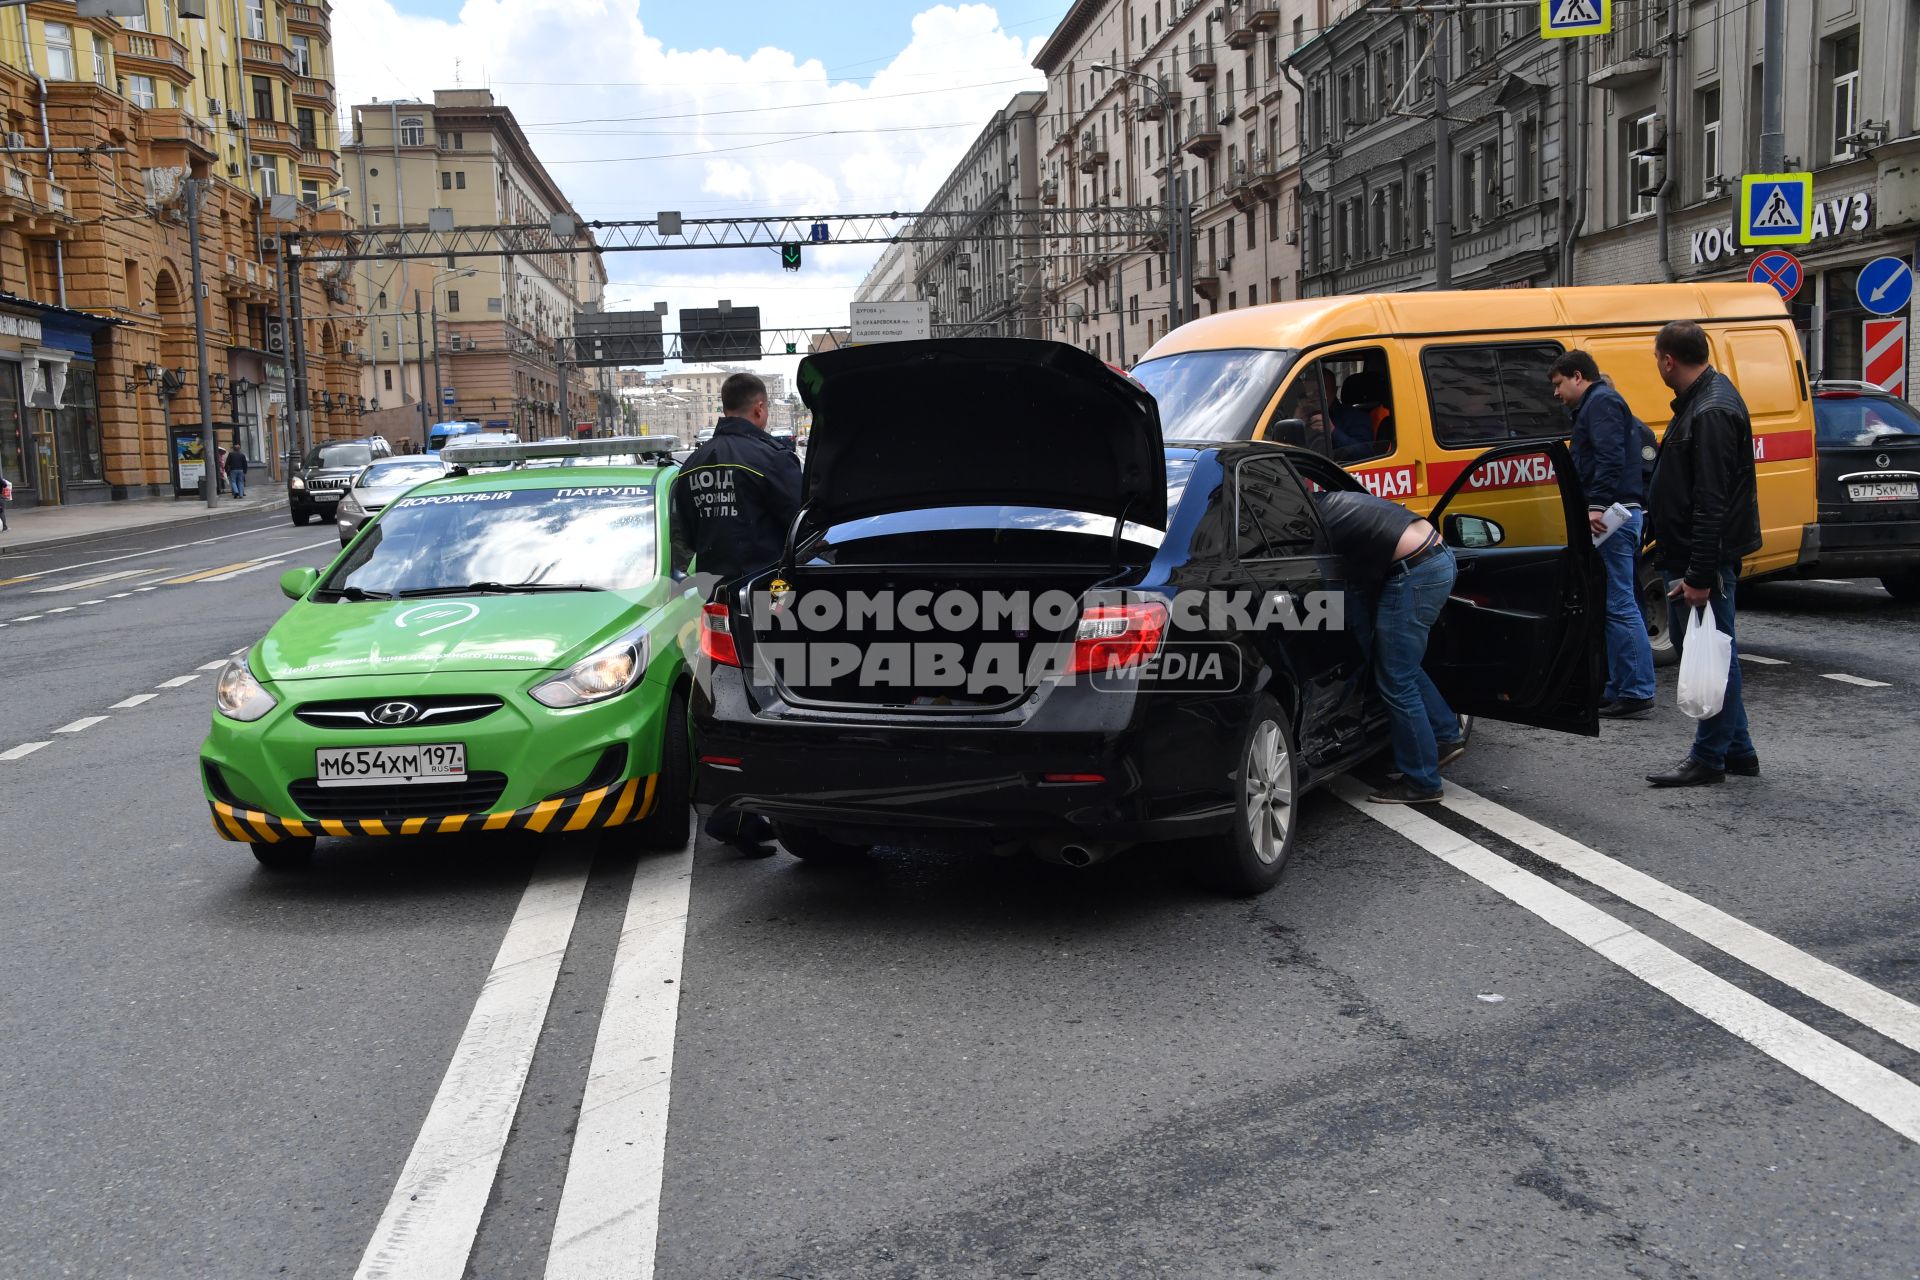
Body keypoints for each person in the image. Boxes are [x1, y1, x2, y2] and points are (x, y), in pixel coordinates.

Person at [672, 371, 803, 851]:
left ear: (723, 407)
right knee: (780, 700)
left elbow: (684, 535)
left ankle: (730, 814)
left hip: (714, 599)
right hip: (772, 597)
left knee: (720, 699)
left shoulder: (691, 465)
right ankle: (791, 804)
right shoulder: (770, 458)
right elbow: (805, 522)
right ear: (760, 409)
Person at [1645, 319, 1763, 787]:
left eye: (1657, 358)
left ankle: (1709, 756)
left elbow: (1712, 500)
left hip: (1699, 559)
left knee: (1710, 651)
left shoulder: (1710, 410)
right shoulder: (1704, 400)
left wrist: (1698, 573)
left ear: (1668, 360)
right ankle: (1739, 751)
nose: (1657, 365)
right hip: (1692, 554)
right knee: (1715, 648)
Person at [1316, 489, 1464, 804]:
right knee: (1402, 667)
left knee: (1396, 677)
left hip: (1414, 571)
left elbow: (1324, 582)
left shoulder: (1311, 523)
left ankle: (1423, 783)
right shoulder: (1332, 499)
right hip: (1435, 558)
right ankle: (1444, 736)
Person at [1550, 350, 1655, 717]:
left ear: (1577, 376)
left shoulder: (1602, 403)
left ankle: (1637, 688)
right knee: (1612, 603)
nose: (1556, 393)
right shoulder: (1598, 404)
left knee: (1619, 603)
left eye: (1559, 384)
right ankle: (1616, 687)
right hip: (1614, 513)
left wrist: (1595, 504)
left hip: (1613, 515)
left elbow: (1609, 457)